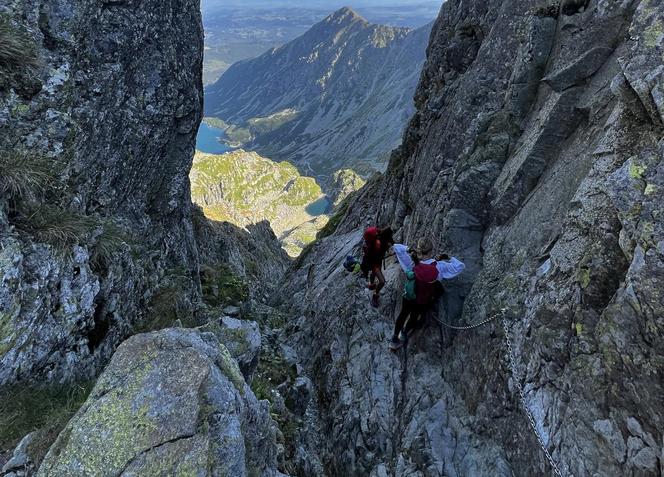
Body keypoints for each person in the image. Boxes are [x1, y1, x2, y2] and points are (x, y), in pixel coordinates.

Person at [389, 237, 465, 351]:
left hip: (409, 295)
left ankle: (394, 339)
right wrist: (447, 257)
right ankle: (404, 332)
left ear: (419, 249)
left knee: (403, 314)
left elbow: (397, 247)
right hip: (422, 300)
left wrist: (410, 249)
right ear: (431, 251)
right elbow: (460, 266)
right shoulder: (439, 266)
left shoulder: (412, 262)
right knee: (414, 317)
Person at [360, 226, 394, 307]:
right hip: (375, 263)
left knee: (373, 273)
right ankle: (375, 295)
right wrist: (387, 252)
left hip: (375, 262)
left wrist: (387, 251)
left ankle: (371, 284)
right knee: (382, 281)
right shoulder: (377, 243)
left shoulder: (379, 238)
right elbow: (375, 256)